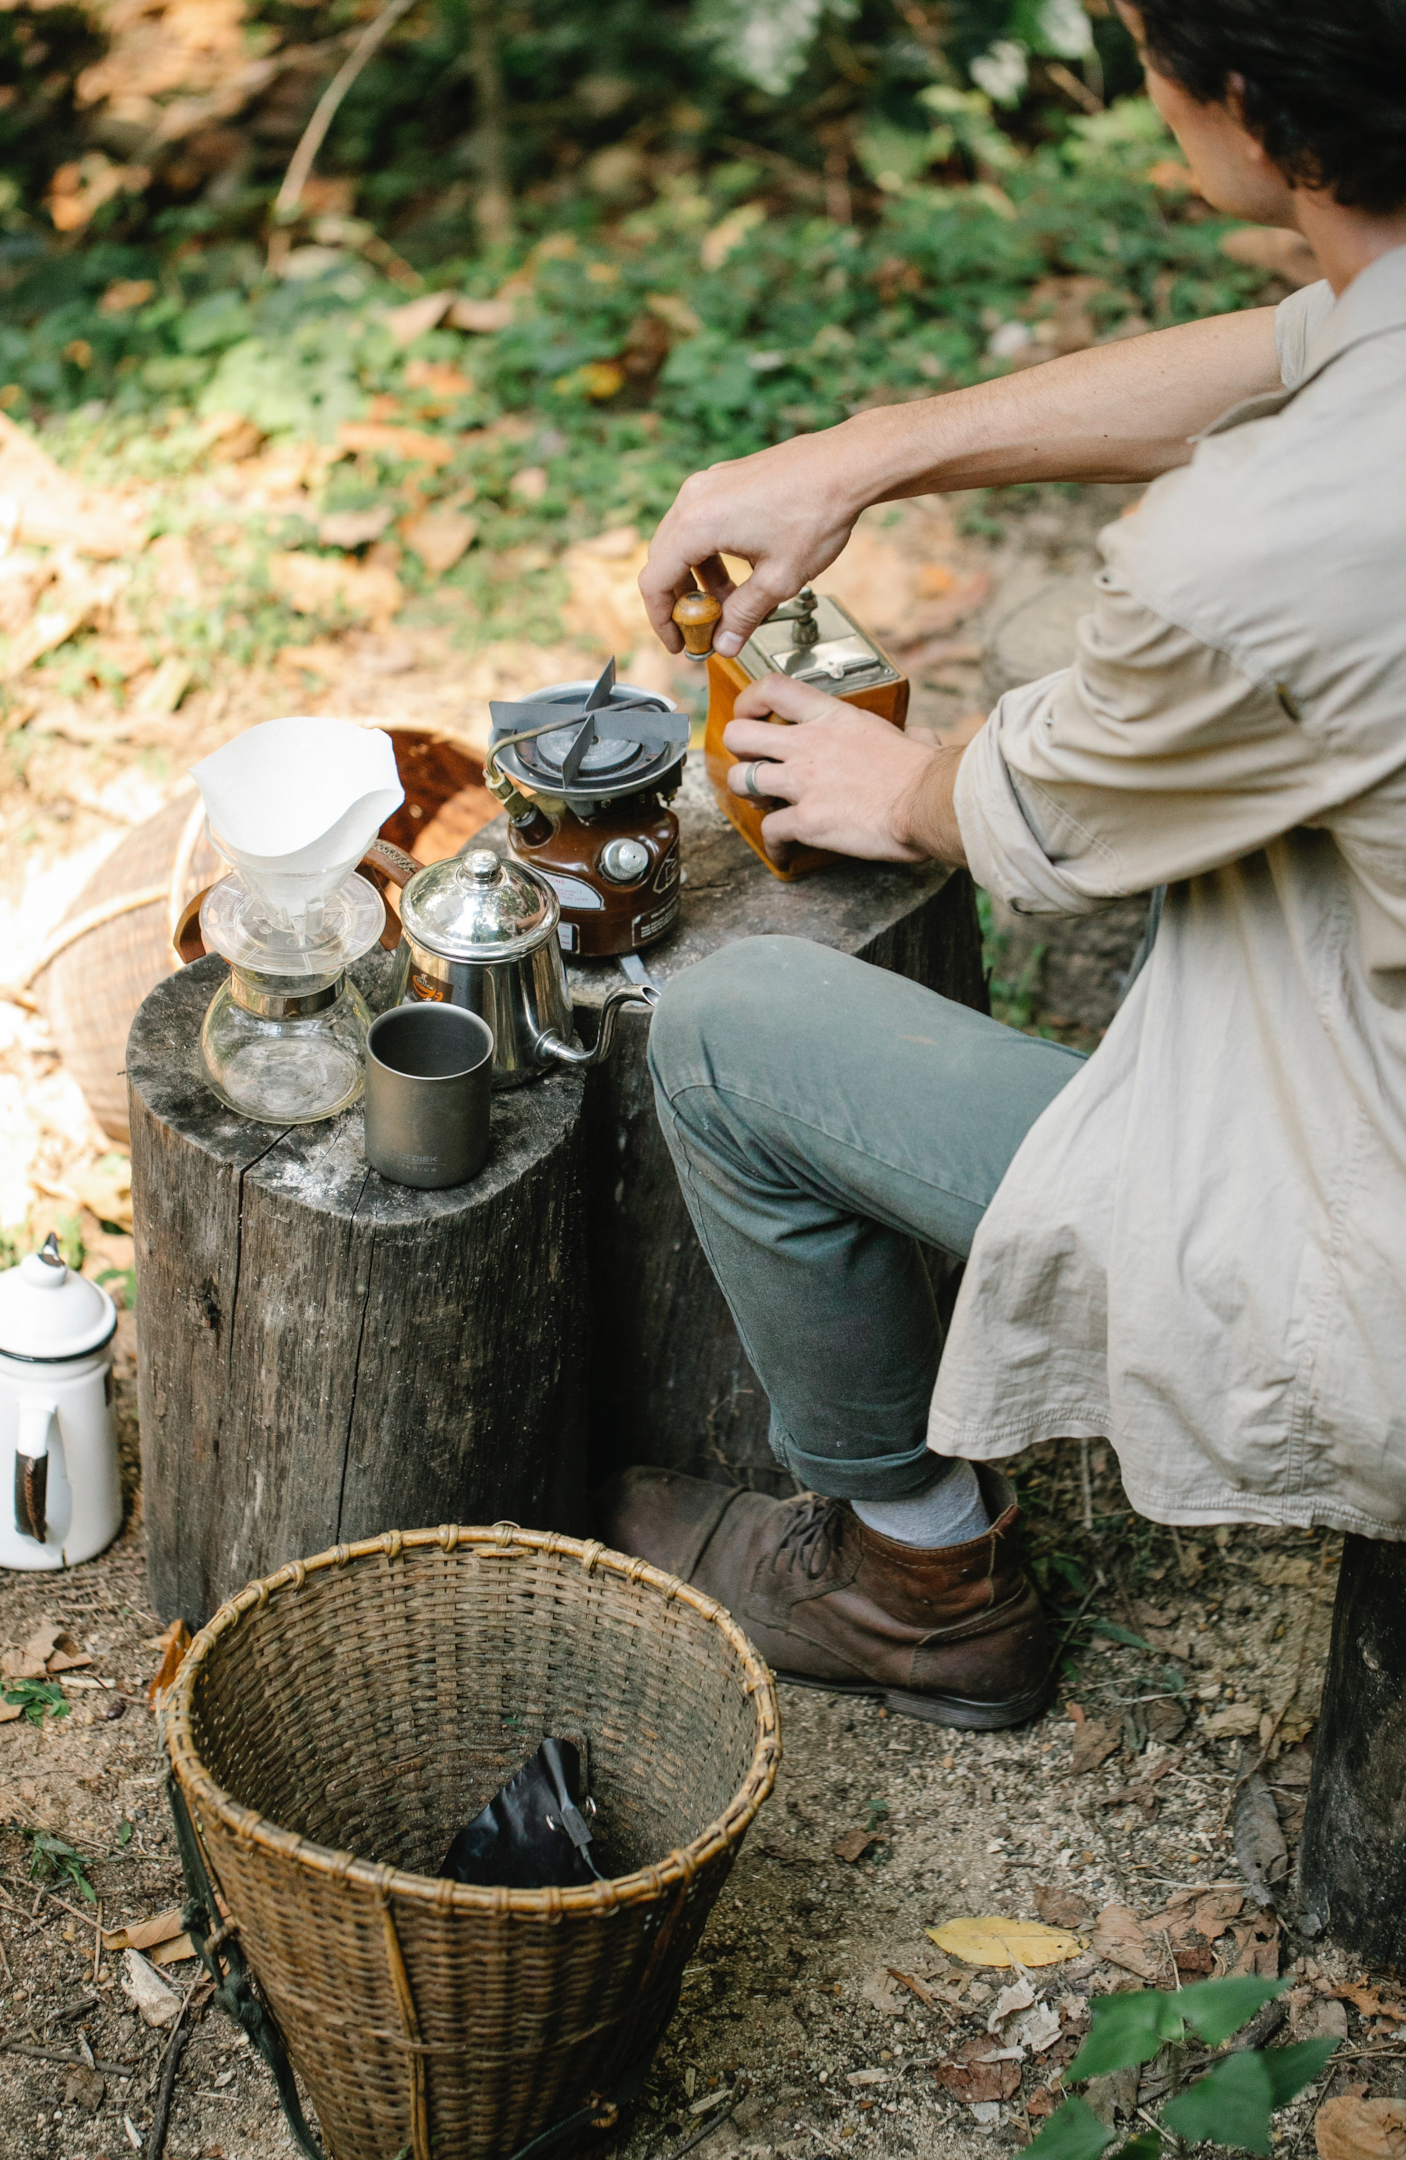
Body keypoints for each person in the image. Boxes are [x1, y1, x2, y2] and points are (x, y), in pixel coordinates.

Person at [596, 0, 1406, 1729]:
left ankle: (918, 1580)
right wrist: (865, 451)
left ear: (1252, 116)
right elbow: (1297, 349)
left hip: (1376, 1242)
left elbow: (1015, 817)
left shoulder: (1258, 554)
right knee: (1056, 635)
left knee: (730, 1032)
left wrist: (896, 782)